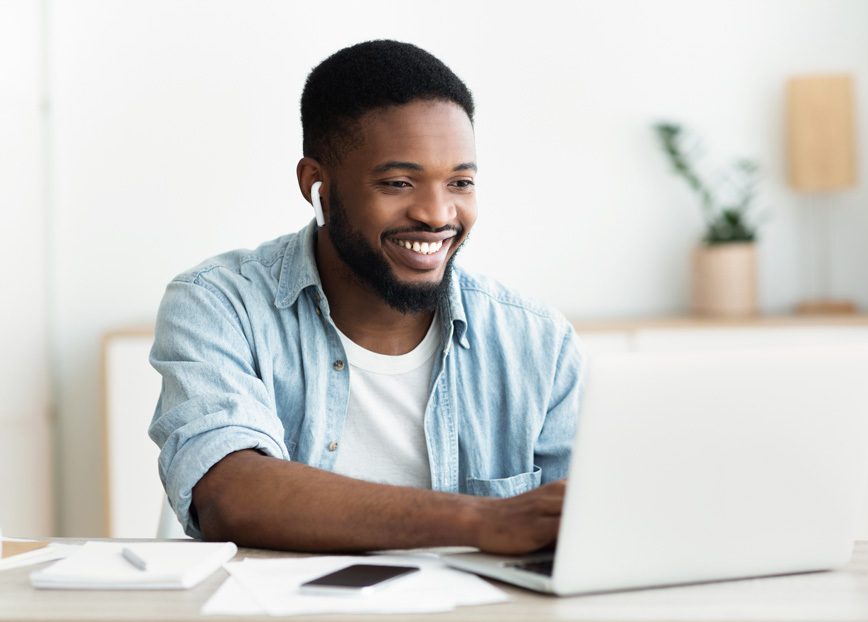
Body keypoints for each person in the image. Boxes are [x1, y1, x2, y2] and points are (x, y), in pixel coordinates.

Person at [149, 40, 583, 554]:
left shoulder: (536, 340)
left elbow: (585, 528)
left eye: (460, 182)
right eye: (399, 182)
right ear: (317, 185)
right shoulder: (220, 305)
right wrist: (482, 520)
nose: (437, 214)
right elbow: (230, 494)